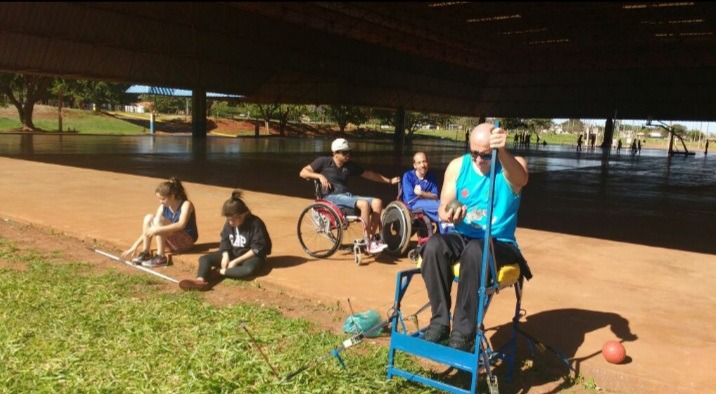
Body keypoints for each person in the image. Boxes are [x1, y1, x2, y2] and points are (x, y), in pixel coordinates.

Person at [420, 122, 532, 352]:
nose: (479, 160)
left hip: (499, 241)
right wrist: (450, 214)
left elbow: (521, 180)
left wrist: (501, 152)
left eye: (485, 155)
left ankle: (463, 332)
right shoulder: (457, 166)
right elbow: (443, 206)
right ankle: (439, 321)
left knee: (475, 252)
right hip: (463, 233)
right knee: (433, 246)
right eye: (474, 154)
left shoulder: (512, 165)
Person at [300, 138, 400, 254]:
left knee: (378, 202)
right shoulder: (324, 162)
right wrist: (319, 176)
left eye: (348, 152)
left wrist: (389, 181)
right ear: (335, 153)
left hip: (346, 196)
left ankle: (370, 240)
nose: (348, 154)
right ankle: (368, 241)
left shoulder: (349, 166)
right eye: (344, 152)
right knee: (364, 204)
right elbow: (303, 172)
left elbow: (368, 174)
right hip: (330, 198)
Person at [179, 190, 272, 291]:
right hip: (234, 253)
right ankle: (200, 281)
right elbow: (225, 240)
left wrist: (236, 261)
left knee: (249, 270)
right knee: (204, 259)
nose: (230, 223)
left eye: (233, 220)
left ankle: (220, 272)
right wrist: (225, 256)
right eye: (228, 220)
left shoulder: (256, 224)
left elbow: (257, 247)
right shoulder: (229, 224)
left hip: (250, 257)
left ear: (243, 215)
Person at [122, 177, 198, 267]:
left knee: (158, 220)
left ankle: (160, 257)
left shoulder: (186, 204)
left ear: (172, 196)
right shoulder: (163, 207)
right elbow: (151, 229)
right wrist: (135, 246)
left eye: (163, 199)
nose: (161, 202)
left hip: (186, 242)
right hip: (171, 241)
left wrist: (157, 229)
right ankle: (146, 252)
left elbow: (181, 225)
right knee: (149, 217)